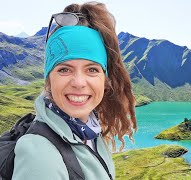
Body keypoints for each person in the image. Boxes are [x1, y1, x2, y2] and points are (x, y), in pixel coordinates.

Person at [12, 1, 137, 180]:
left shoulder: (90, 132)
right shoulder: (40, 155)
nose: (79, 82)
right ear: (49, 79)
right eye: (64, 69)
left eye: (92, 70)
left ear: (105, 79)